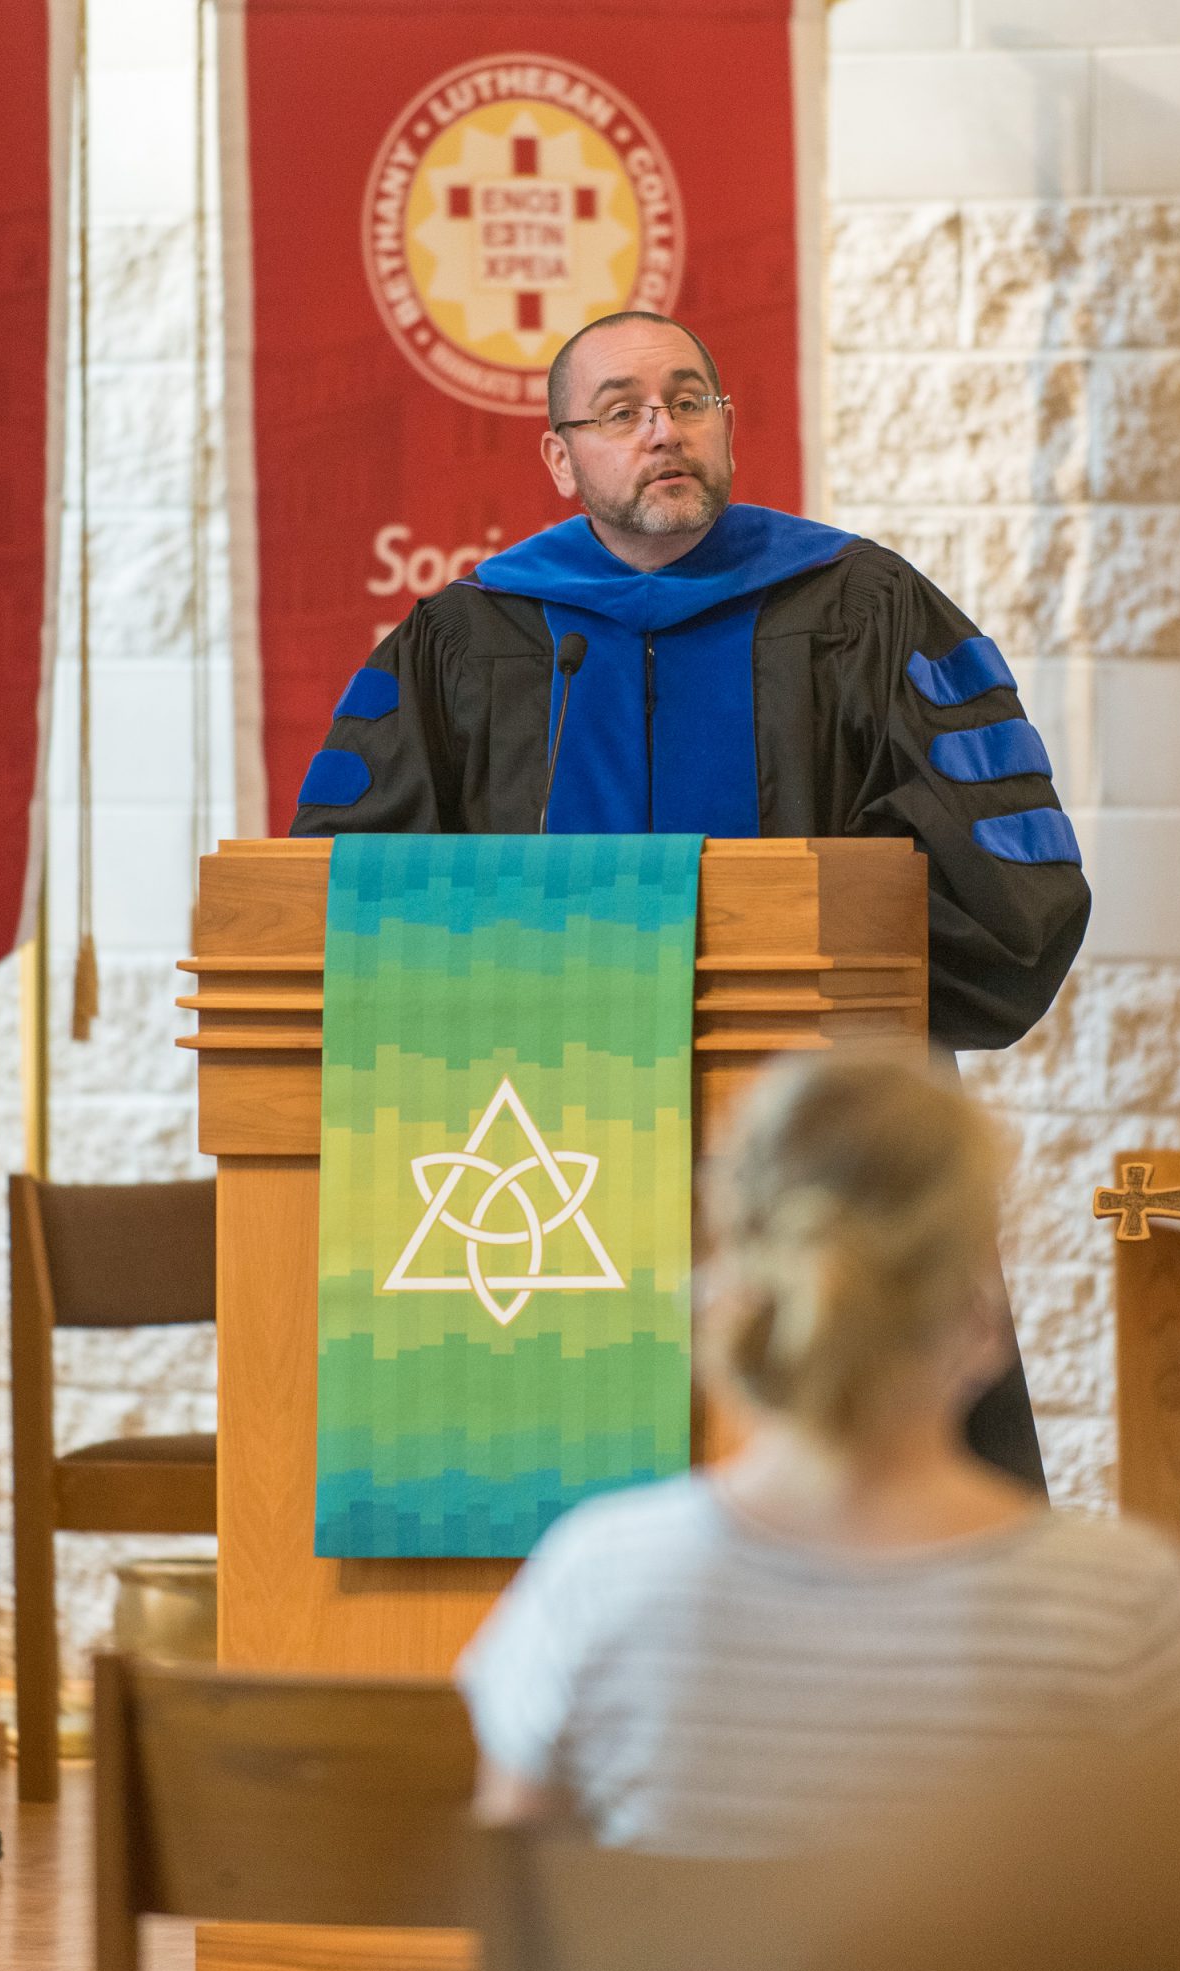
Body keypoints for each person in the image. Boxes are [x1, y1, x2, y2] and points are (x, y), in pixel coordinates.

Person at [292, 309, 1091, 1485]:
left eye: (687, 400)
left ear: (725, 426)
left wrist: (833, 978)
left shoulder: (864, 609)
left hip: (818, 1157)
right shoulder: (465, 638)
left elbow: (1010, 886)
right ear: (562, 458)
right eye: (618, 410)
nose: (660, 428)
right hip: (538, 1136)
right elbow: (343, 889)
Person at [456, 1050, 1180, 1857]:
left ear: (740, 1271)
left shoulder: (598, 1578)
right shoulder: (1118, 1607)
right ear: (976, 1297)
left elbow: (525, 1927)